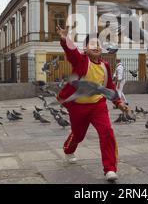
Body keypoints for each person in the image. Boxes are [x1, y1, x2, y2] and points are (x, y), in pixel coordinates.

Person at [56, 26, 128, 182]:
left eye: (99, 44)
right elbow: (72, 53)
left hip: (97, 105)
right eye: (92, 44)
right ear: (85, 48)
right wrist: (65, 39)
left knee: (107, 132)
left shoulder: (105, 66)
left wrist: (118, 102)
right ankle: (68, 149)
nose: (96, 46)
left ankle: (109, 169)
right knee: (78, 135)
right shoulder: (81, 60)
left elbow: (109, 87)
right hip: (78, 106)